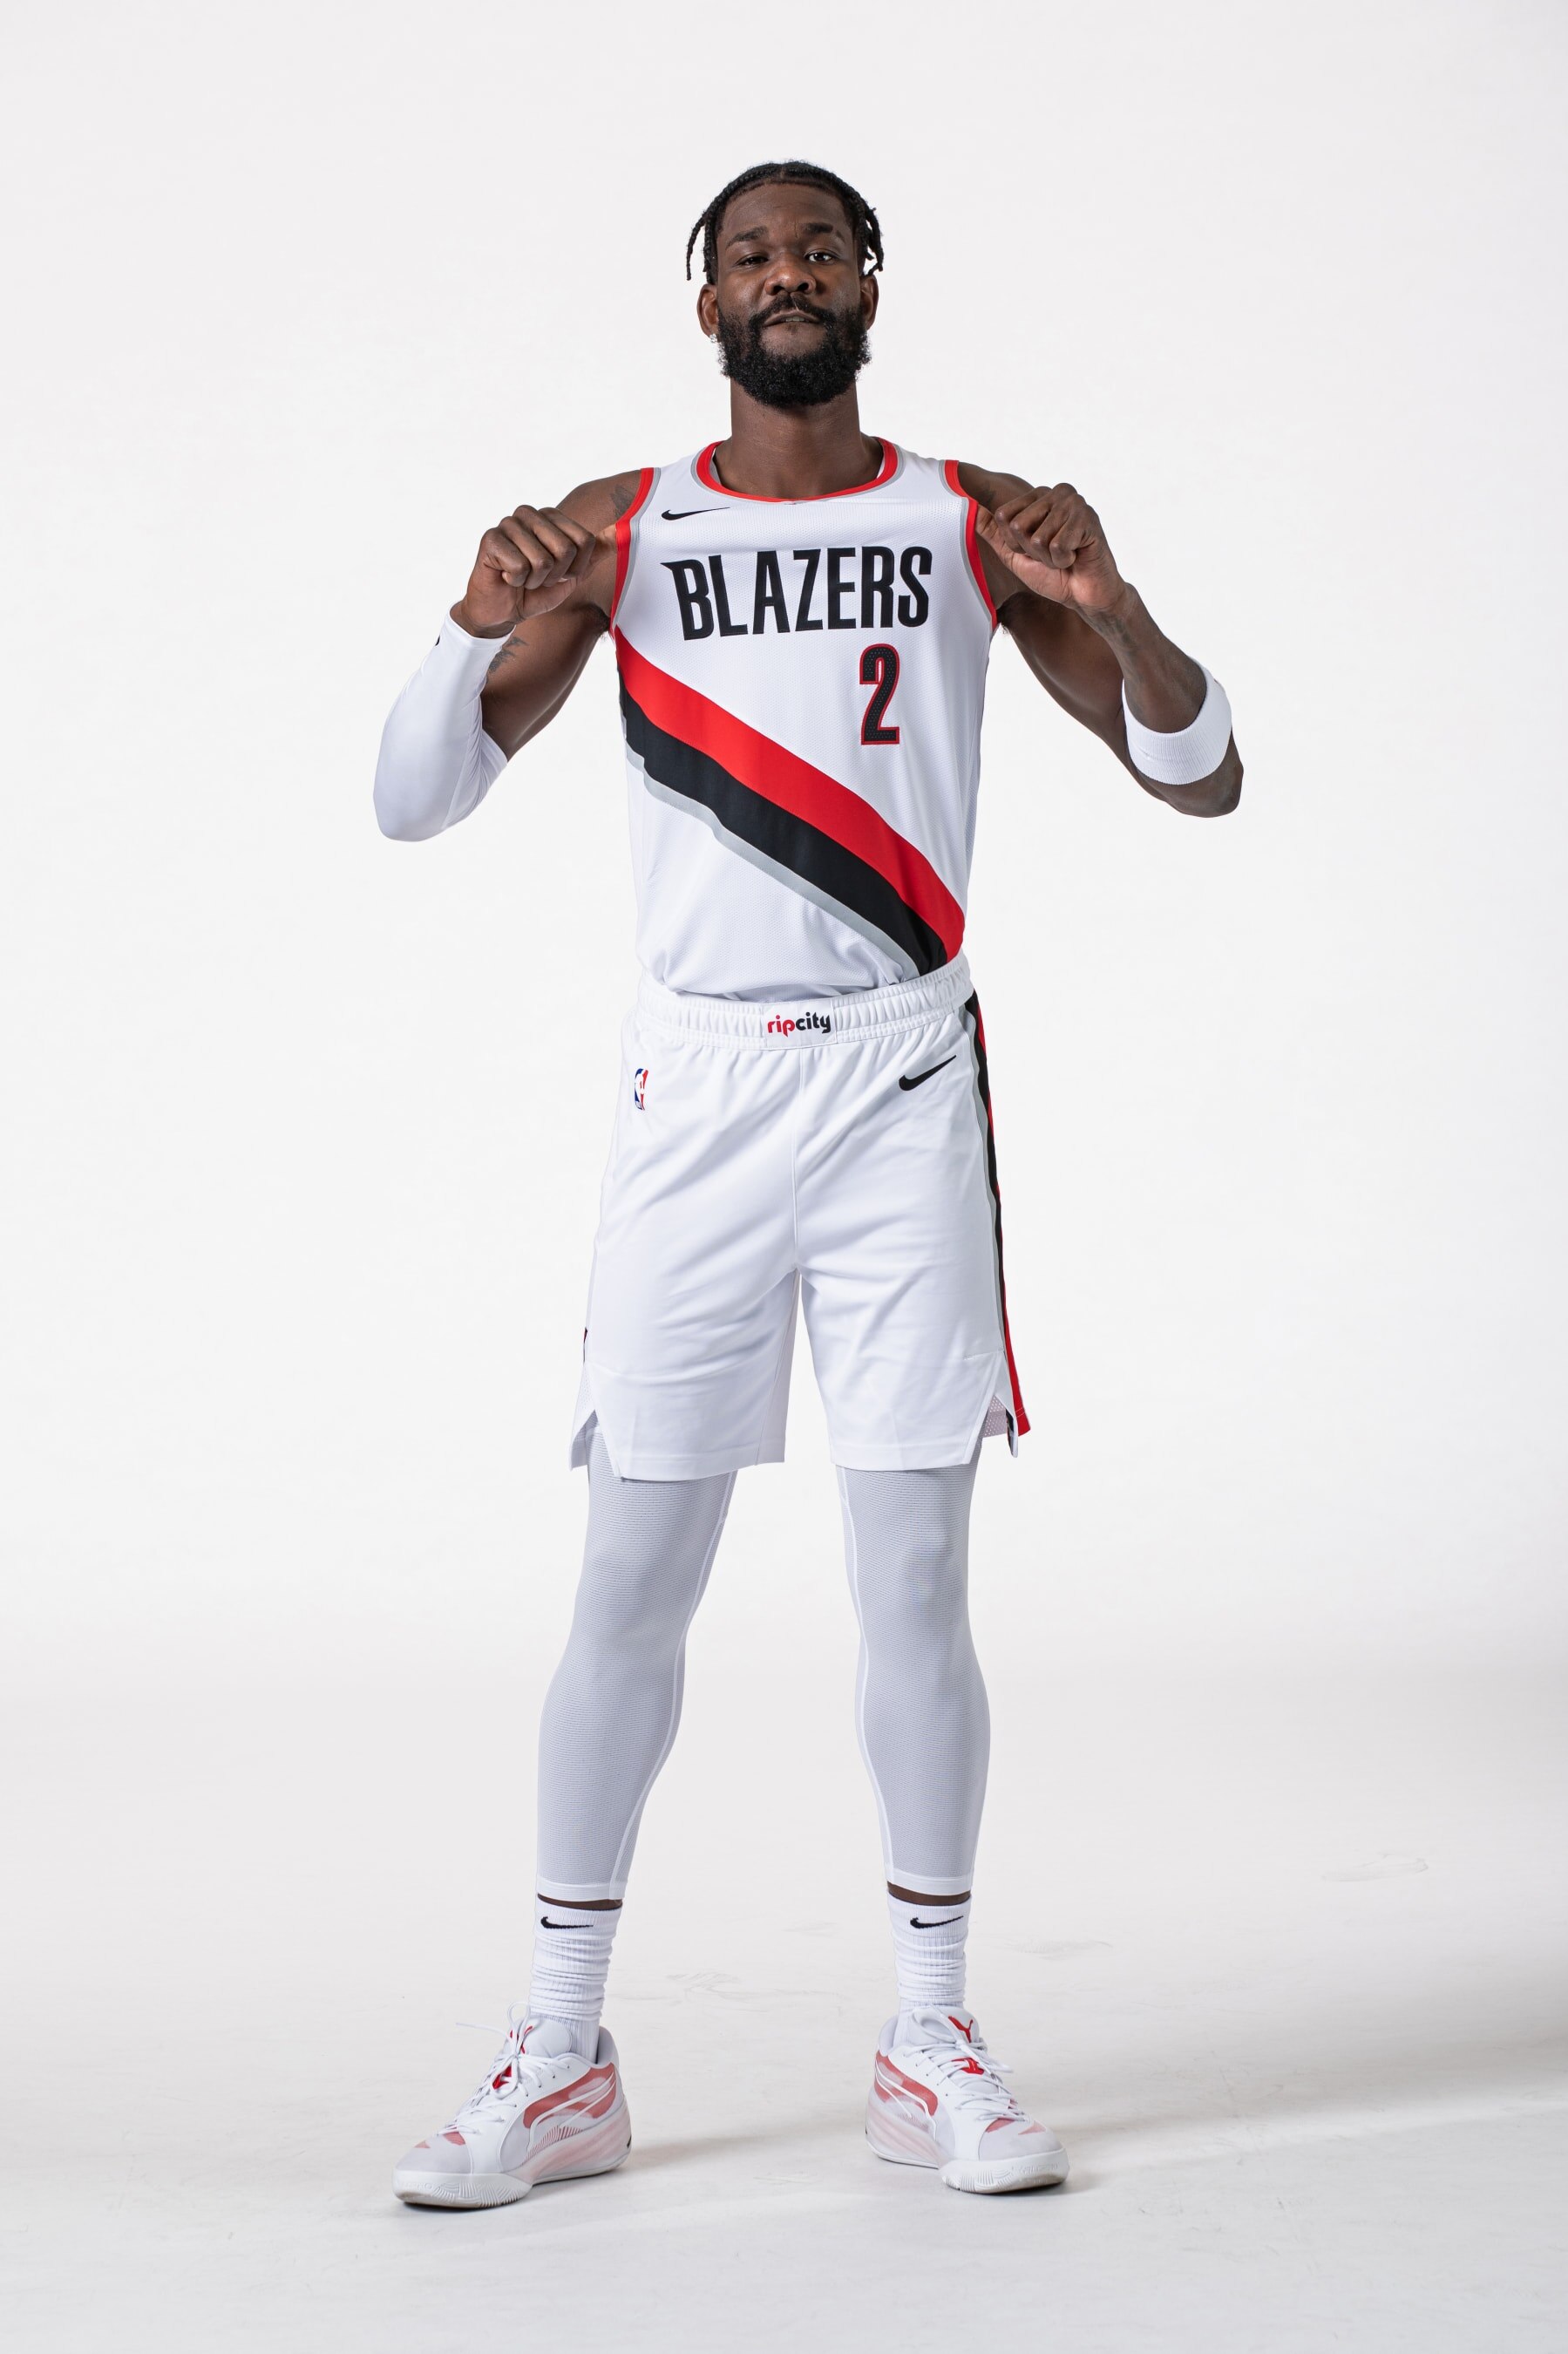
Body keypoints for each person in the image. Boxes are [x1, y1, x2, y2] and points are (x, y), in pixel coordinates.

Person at [373, 159, 1241, 2208]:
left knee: (914, 1573)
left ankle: (930, 2032)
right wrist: (470, 622)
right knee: (632, 1572)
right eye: (753, 254)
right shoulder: (621, 527)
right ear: (706, 304)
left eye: (822, 248)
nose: (790, 276)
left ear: (869, 285)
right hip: (696, 1089)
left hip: (898, 1080)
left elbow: (1203, 774)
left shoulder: (973, 519)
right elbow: (412, 800)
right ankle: (564, 2054)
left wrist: (1118, 605)